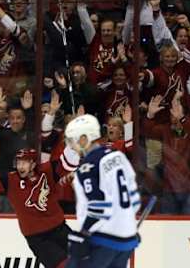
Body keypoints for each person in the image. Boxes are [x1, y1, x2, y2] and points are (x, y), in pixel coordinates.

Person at [0, 148, 73, 268]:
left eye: (24, 162)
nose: (20, 166)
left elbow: (66, 163)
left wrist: (75, 142)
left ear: (33, 164)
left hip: (60, 229)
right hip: (39, 239)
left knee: (83, 258)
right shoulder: (11, 181)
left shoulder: (47, 171)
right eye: (19, 162)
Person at [64, 114, 140, 268]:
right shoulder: (118, 156)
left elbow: (98, 207)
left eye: (73, 140)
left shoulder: (88, 166)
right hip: (126, 241)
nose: (72, 146)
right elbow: (134, 199)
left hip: (104, 239)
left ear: (84, 139)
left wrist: (83, 233)